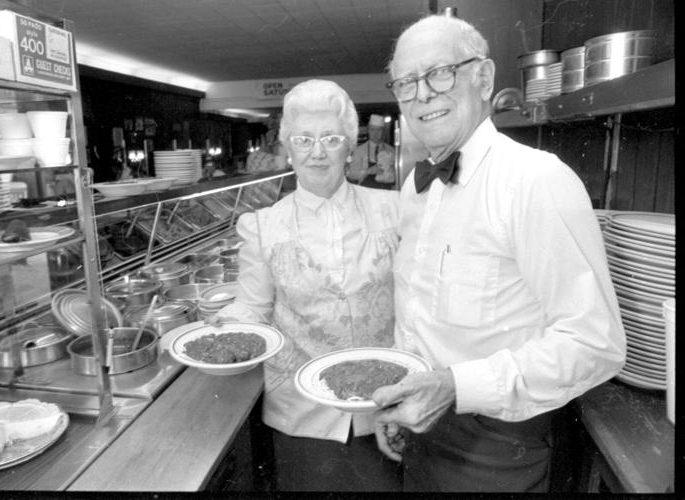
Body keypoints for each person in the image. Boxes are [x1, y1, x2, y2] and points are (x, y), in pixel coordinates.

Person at [371, 14, 626, 493]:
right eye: (406, 82)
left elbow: (596, 344)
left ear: (483, 79)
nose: (422, 94)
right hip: (419, 428)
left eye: (439, 73)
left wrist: (453, 387)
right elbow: (419, 314)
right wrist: (403, 399)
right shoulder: (413, 187)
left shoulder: (536, 181)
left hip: (497, 447)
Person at [212, 79, 401, 492]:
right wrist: (226, 327)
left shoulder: (395, 210)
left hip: (384, 406)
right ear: (287, 147)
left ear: (350, 146)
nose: (317, 152)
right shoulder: (261, 226)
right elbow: (252, 307)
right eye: (304, 139)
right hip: (302, 416)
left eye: (331, 139)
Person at [347, 113, 396, 189]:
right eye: (372, 129)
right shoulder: (359, 151)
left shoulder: (391, 151)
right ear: (368, 130)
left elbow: (398, 175)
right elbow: (351, 175)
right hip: (366, 194)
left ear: (383, 131)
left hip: (386, 193)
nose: (375, 133)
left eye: (378, 130)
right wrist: (368, 171)